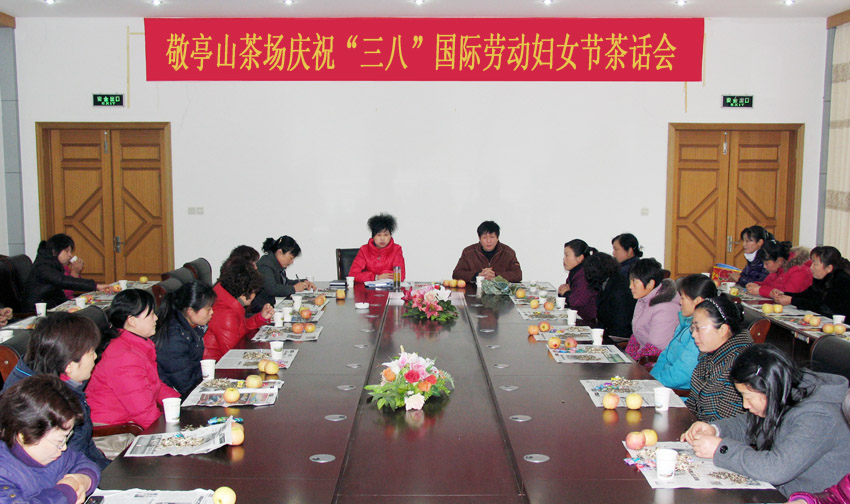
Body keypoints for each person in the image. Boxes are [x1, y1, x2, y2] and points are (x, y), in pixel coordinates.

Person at [682, 344, 850, 497]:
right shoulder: (786, 390)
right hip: (779, 492)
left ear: (770, 389)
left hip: (804, 498)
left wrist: (720, 449)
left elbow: (776, 469)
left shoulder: (820, 416)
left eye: (748, 397)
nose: (745, 405)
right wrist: (715, 429)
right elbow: (749, 423)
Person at [1, 312, 109, 470]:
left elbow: (84, 446)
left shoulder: (54, 378)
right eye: (91, 352)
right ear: (69, 366)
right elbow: (68, 464)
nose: (95, 357)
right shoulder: (43, 403)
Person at [0, 374, 101, 504]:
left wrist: (81, 480)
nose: (64, 447)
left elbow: (82, 462)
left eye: (66, 438)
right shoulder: (5, 473)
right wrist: (67, 491)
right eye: (59, 441)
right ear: (25, 435)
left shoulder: (52, 454)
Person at [86, 290, 180, 429]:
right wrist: (174, 430)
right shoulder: (124, 357)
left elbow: (155, 386)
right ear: (132, 321)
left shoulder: (135, 345)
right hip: (114, 430)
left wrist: (181, 404)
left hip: (129, 423)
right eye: (151, 314)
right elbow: (144, 414)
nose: (156, 318)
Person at [687, 295, 753, 422]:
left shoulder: (740, 364)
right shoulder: (709, 354)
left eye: (698, 328)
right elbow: (693, 403)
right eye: (693, 328)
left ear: (723, 330)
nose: (694, 334)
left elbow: (726, 423)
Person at [651, 275, 717, 390]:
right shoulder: (684, 323)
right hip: (662, 385)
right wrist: (650, 379)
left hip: (678, 393)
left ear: (697, 301)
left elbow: (681, 374)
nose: (680, 302)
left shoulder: (700, 334)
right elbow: (664, 356)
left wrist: (653, 384)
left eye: (683, 298)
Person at [154, 280, 217, 398]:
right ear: (190, 311)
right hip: (176, 397)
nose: (212, 312)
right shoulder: (173, 338)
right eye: (208, 309)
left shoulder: (192, 326)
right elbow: (184, 384)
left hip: (190, 386)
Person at [204, 259, 273, 361]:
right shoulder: (226, 314)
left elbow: (240, 328)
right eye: (254, 292)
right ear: (245, 292)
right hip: (218, 365)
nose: (254, 296)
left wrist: (260, 317)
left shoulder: (225, 301)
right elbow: (233, 354)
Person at [23, 233, 110, 310]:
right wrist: (95, 286)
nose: (70, 255)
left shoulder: (52, 263)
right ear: (54, 251)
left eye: (70, 251)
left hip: (52, 304)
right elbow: (62, 280)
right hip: (37, 310)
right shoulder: (43, 266)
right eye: (66, 251)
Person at [624, 258, 680, 361]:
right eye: (630, 281)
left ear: (650, 284)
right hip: (642, 357)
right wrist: (626, 358)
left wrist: (632, 363)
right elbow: (637, 335)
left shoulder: (665, 309)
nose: (630, 286)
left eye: (635, 282)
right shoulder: (643, 299)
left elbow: (656, 349)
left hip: (656, 362)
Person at [774, 246, 850, 317]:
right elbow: (807, 295)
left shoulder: (842, 281)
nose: (811, 268)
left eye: (815, 264)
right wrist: (785, 294)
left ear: (829, 268)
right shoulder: (822, 278)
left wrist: (792, 301)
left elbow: (825, 308)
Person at [253, 236, 315, 309]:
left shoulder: (275, 263)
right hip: (259, 309)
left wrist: (303, 283)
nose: (292, 262)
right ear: (280, 252)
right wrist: (294, 288)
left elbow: (284, 282)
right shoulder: (265, 265)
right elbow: (272, 289)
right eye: (291, 258)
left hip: (267, 308)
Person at [584, 252, 635, 339]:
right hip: (609, 331)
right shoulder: (609, 282)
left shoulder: (618, 289)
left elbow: (620, 324)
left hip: (618, 336)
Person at [452, 221, 522, 283]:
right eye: (485, 237)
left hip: (500, 292)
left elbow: (518, 275)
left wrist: (496, 275)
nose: (488, 241)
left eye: (492, 237)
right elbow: (456, 274)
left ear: (497, 238)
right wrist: (477, 275)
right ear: (479, 238)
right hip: (474, 291)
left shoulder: (508, 253)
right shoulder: (468, 252)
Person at [348, 213, 406, 283]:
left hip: (389, 289)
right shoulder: (364, 250)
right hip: (368, 289)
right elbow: (353, 275)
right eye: (379, 235)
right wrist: (377, 277)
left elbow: (400, 276)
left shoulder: (396, 249)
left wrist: (384, 275)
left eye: (386, 235)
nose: (382, 238)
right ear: (373, 237)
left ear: (390, 236)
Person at [745, 241, 812, 298]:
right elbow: (768, 284)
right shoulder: (778, 269)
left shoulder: (799, 270)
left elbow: (787, 294)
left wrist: (760, 290)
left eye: (767, 263)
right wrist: (756, 285)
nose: (764, 267)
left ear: (779, 261)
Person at [558, 239, 598, 323]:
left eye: (567, 255)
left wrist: (566, 293)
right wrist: (563, 291)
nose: (564, 259)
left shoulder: (585, 274)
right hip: (577, 317)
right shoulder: (575, 271)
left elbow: (577, 301)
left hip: (587, 322)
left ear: (580, 258)